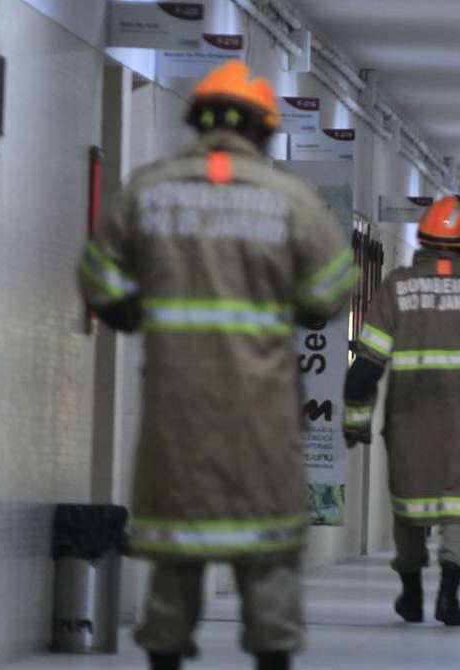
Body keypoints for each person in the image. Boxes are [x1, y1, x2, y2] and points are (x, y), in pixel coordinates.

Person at [76, 61, 356, 670]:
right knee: (267, 547)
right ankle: (272, 655)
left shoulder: (149, 190)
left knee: (178, 546)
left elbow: (99, 274)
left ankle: (166, 655)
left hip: (176, 405)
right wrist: (296, 303)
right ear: (263, 132)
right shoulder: (291, 201)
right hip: (262, 407)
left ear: (195, 121)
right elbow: (332, 289)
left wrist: (127, 311)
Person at [341, 196, 460, 627]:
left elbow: (367, 363)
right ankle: (449, 595)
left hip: (408, 418)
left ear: (422, 238)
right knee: (459, 506)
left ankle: (410, 590)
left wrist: (355, 417)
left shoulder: (397, 287)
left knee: (410, 504)